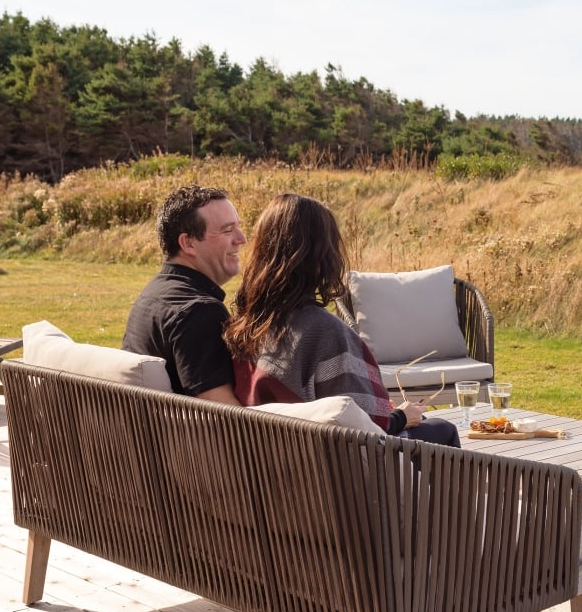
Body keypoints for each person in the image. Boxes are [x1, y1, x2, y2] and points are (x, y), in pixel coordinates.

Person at [225, 192, 460, 446]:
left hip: (272, 454)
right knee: (442, 429)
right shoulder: (324, 332)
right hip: (333, 468)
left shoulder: (246, 324)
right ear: (321, 256)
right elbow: (366, 425)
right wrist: (403, 416)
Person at [123, 185, 246, 404]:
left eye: (238, 228)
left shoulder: (152, 296)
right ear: (188, 243)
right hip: (181, 437)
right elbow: (224, 415)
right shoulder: (198, 311)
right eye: (227, 230)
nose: (241, 238)